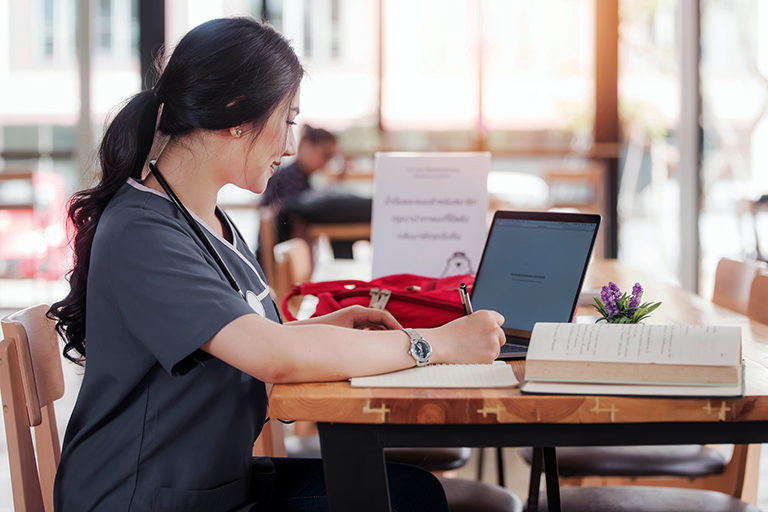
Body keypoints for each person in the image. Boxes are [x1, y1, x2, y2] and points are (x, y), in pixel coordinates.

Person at [49, 17, 505, 512]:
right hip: (141, 497)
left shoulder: (206, 220)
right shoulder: (143, 232)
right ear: (236, 113)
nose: (290, 146)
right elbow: (272, 356)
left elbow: (258, 339)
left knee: (411, 492)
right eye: (288, 120)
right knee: (401, 501)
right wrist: (434, 344)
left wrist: (329, 328)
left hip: (206, 483)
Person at [258, 125, 370, 260]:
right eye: (326, 155)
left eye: (331, 158)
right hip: (279, 259)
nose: (326, 163)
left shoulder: (302, 178)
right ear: (306, 145)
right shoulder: (288, 178)